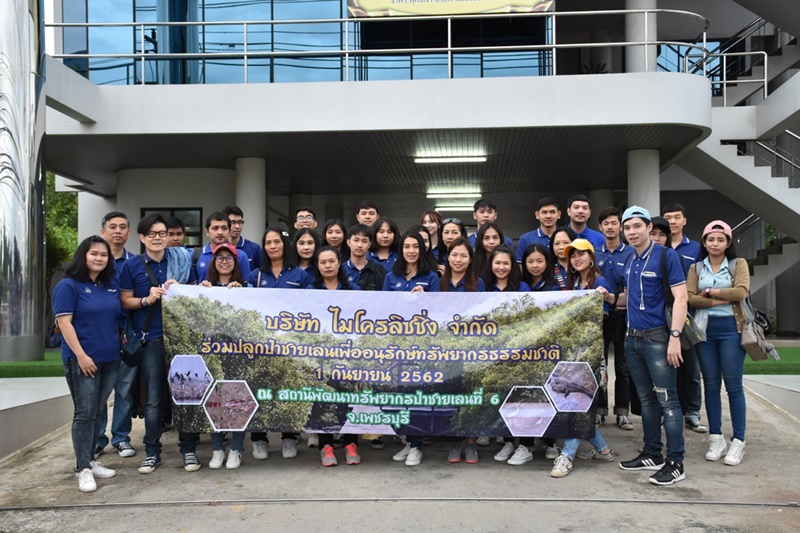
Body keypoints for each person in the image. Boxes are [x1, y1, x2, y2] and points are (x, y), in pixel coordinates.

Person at [119, 214, 196, 474]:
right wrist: (146, 300)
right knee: (153, 399)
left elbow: (196, 291)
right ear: (142, 238)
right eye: (152, 234)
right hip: (151, 339)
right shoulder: (131, 266)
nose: (158, 238)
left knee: (186, 395)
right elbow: (125, 301)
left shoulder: (182, 261)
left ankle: (189, 449)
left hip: (181, 339)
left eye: (162, 233)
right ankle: (152, 451)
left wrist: (184, 287)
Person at [617, 206, 688, 486]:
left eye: (637, 226)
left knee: (667, 400)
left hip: (659, 338)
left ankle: (675, 462)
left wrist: (675, 337)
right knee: (646, 400)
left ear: (648, 227)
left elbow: (681, 298)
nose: (632, 232)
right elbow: (627, 299)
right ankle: (652, 453)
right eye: (627, 227)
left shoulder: (666, 256)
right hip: (632, 339)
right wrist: (604, 297)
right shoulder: (629, 260)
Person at [53, 236, 121, 492]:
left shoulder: (108, 285)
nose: (99, 258)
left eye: (104, 255)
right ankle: (82, 468)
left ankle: (91, 461)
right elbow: (64, 323)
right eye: (94, 254)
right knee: (84, 413)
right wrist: (81, 356)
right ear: (83, 256)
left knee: (97, 410)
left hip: (110, 359)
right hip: (83, 360)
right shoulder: (68, 286)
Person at [687, 220, 749, 466]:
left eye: (720, 239)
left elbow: (741, 292)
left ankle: (738, 441)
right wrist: (721, 298)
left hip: (731, 330)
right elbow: (691, 299)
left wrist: (710, 293)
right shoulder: (696, 268)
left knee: (733, 386)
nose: (715, 243)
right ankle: (716, 437)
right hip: (704, 331)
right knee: (711, 385)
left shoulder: (738, 264)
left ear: (728, 243)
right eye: (710, 239)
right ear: (704, 242)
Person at [247, 227, 311, 458]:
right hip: (259, 345)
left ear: (285, 245)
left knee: (288, 390)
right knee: (259, 390)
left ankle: (289, 438)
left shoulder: (300, 275)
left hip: (290, 345)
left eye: (277, 242)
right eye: (268, 243)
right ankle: (259, 439)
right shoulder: (255, 275)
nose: (273, 246)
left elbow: (310, 308)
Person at [498, 243, 559, 465]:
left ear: (547, 263)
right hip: (512, 350)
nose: (535, 265)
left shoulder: (553, 288)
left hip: (542, 350)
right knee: (516, 394)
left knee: (541, 393)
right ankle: (518, 442)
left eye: (539, 261)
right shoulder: (518, 285)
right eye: (530, 261)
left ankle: (548, 441)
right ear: (523, 264)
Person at [384, 231, 440, 466]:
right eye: (406, 246)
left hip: (422, 347)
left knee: (416, 394)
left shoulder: (431, 276)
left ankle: (416, 444)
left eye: (415, 246)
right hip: (397, 345)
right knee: (397, 395)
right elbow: (383, 308)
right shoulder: (391, 276)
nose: (411, 251)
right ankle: (407, 440)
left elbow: (439, 310)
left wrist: (425, 297)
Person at [307, 246, 361, 466]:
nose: (327, 266)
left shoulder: (354, 290)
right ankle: (326, 446)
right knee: (323, 400)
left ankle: (350, 443)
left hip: (348, 355)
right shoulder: (310, 291)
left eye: (331, 261)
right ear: (317, 266)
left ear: (339, 263)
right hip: (320, 356)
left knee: (348, 400)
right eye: (323, 262)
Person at [200, 243, 248, 469]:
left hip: (238, 355)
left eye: (229, 258)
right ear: (213, 261)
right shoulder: (203, 287)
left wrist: (243, 291)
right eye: (220, 257)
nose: (225, 261)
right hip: (212, 354)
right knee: (214, 400)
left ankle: (236, 448)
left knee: (239, 399)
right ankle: (218, 448)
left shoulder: (245, 286)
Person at [661, 202, 707, 434]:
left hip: (690, 316)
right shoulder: (659, 249)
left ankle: (693, 412)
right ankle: (672, 412)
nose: (672, 221)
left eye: (677, 217)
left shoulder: (697, 249)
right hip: (663, 317)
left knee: (691, 368)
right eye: (668, 217)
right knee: (670, 367)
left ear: (684, 221)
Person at [438, 238, 484, 463]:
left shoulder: (479, 284)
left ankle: (472, 443)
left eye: (463, 256)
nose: (458, 260)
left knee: (471, 397)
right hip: (445, 351)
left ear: (470, 259)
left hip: (471, 351)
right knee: (452, 397)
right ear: (448, 257)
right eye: (454, 255)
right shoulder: (438, 283)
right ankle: (455, 442)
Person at [95, 211, 136, 459]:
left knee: (124, 389)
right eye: (113, 227)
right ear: (103, 232)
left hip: (127, 332)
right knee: (99, 391)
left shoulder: (133, 263)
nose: (118, 231)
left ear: (129, 233)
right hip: (100, 334)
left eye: (123, 227)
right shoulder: (95, 261)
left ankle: (121, 438)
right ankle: (98, 439)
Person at [596, 207, 636, 430]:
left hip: (622, 314)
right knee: (599, 364)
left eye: (614, 223)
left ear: (620, 226)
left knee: (623, 365)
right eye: (606, 224)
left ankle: (622, 411)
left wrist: (616, 299)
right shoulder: (594, 252)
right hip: (598, 315)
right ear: (600, 227)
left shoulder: (630, 253)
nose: (610, 227)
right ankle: (600, 410)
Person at [194, 212, 251, 282]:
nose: (220, 232)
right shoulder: (196, 255)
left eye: (224, 228)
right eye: (215, 228)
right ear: (207, 231)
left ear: (229, 231)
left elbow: (246, 286)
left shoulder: (241, 256)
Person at [516, 197, 562, 263]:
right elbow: (520, 267)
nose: (548, 216)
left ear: (559, 214)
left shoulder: (567, 237)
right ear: (537, 215)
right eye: (544, 212)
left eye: (552, 212)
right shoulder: (525, 239)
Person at [344, 224, 387, 292]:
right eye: (356, 240)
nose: (360, 245)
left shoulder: (379, 270)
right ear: (348, 242)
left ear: (369, 245)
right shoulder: (340, 270)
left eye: (364, 241)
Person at [223, 205, 262, 271]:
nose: (237, 226)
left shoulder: (255, 249)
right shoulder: (219, 248)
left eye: (240, 222)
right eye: (233, 222)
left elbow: (263, 273)